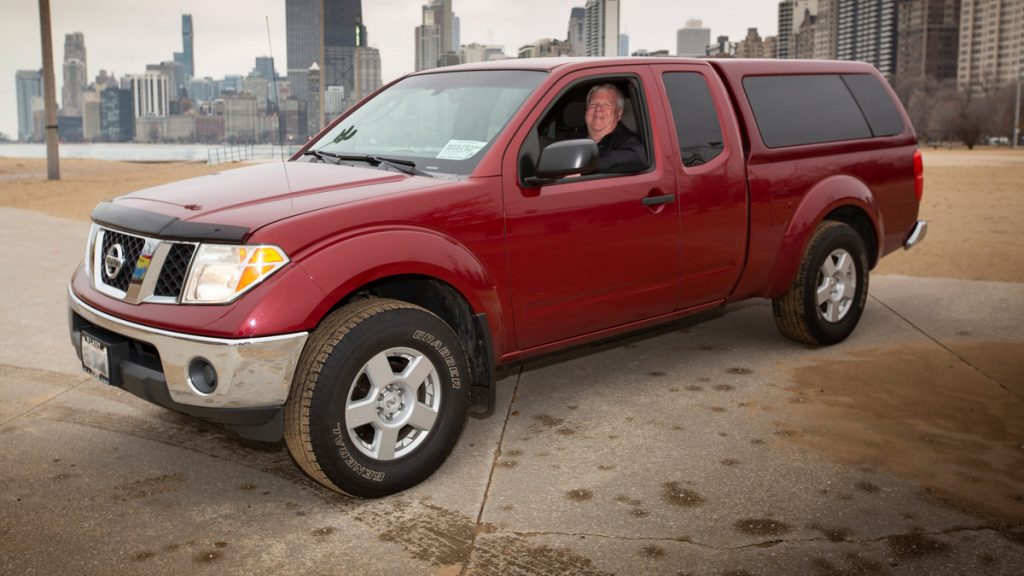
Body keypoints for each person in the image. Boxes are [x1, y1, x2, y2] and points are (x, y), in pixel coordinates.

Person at [583, 84, 647, 173]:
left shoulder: (627, 140)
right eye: (593, 104)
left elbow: (637, 157)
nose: (598, 109)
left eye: (607, 105)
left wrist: (585, 167)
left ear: (619, 112)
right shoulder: (573, 139)